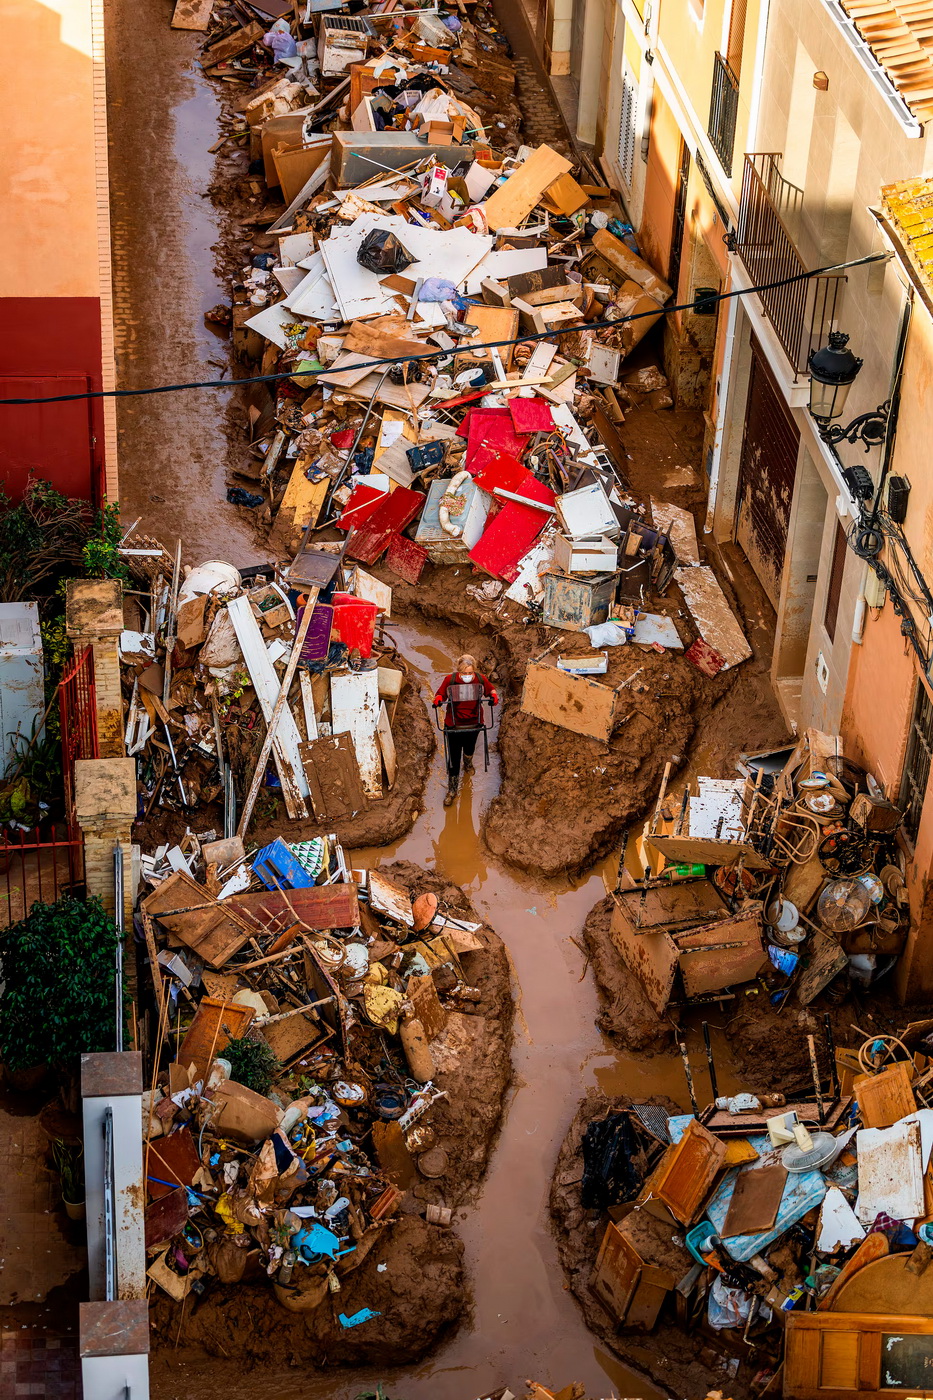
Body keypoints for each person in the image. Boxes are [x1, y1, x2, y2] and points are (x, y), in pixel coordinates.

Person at [433, 655, 498, 806]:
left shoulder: (480, 679)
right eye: (464, 673)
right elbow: (440, 693)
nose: (467, 676)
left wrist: (494, 696)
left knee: (469, 748)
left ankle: (467, 763)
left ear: (474, 671)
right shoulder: (450, 680)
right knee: (454, 758)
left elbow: (491, 690)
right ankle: (452, 790)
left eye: (470, 673)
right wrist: (438, 699)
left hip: (474, 724)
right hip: (454, 725)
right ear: (459, 671)